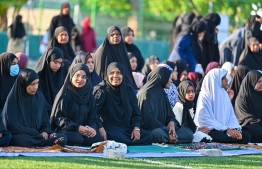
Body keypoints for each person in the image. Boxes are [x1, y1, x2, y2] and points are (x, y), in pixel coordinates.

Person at [2, 68, 67, 147]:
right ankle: (42, 142)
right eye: (32, 84)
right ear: (24, 83)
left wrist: (45, 131)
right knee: (22, 140)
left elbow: (45, 120)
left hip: (39, 134)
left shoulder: (39, 97)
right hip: (23, 134)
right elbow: (13, 126)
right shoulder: (14, 99)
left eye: (37, 83)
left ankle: (41, 141)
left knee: (62, 138)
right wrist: (33, 133)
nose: (35, 87)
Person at [93, 62, 152, 145]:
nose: (115, 76)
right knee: (115, 136)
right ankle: (126, 141)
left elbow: (136, 113)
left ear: (123, 74)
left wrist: (136, 128)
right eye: (112, 73)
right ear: (107, 74)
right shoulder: (102, 90)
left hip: (127, 128)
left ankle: (125, 141)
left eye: (118, 73)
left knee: (148, 136)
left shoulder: (128, 90)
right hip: (109, 127)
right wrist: (100, 128)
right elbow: (94, 113)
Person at [137, 66, 193, 144]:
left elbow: (170, 115)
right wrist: (168, 131)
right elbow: (148, 120)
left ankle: (171, 138)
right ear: (162, 78)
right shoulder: (145, 94)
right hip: (152, 129)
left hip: (165, 129)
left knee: (189, 133)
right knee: (156, 134)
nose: (171, 81)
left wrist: (171, 123)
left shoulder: (162, 93)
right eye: (169, 78)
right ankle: (172, 137)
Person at [51, 63, 103, 146]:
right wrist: (77, 128)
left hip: (84, 131)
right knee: (77, 138)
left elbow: (93, 118)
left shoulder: (89, 96)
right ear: (71, 76)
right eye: (77, 75)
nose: (80, 79)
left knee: (98, 138)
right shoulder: (65, 94)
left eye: (84, 77)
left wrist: (92, 128)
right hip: (67, 130)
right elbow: (59, 119)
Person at [194, 68, 251, 143]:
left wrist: (235, 130)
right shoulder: (204, 96)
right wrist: (226, 129)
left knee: (247, 136)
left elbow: (231, 116)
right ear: (216, 80)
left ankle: (232, 138)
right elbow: (206, 120)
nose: (227, 80)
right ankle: (231, 138)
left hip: (225, 130)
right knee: (216, 136)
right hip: (212, 130)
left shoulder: (224, 94)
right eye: (224, 78)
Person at [34, 47, 65, 116]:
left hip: (57, 114)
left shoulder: (59, 77)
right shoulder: (37, 77)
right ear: (48, 60)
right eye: (55, 62)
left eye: (60, 63)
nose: (58, 66)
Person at [234, 70, 262, 143]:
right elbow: (246, 118)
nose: (261, 84)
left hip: (259, 124)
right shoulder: (242, 98)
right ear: (252, 81)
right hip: (248, 125)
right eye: (259, 81)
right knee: (257, 130)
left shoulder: (260, 95)